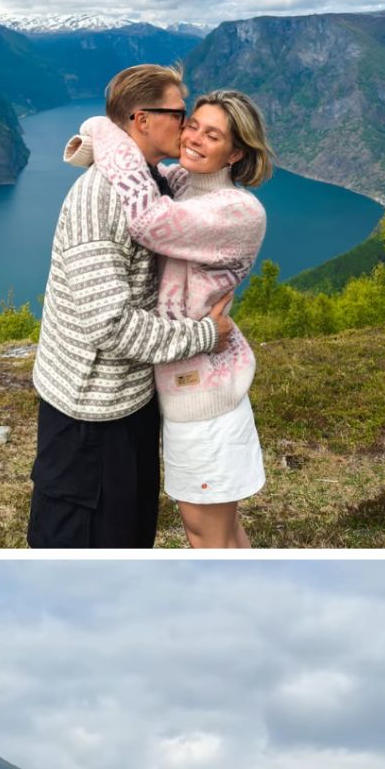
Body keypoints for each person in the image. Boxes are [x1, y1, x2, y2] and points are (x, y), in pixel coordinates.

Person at [28, 64, 235, 549]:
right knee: (79, 541)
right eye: (180, 114)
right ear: (142, 119)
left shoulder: (146, 185)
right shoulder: (99, 198)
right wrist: (209, 334)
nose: (186, 127)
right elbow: (112, 327)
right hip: (88, 414)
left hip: (130, 401)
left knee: (130, 532)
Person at [64, 90, 271, 550]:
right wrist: (110, 135)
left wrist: (103, 126)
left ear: (235, 153)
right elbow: (137, 170)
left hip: (206, 396)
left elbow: (150, 222)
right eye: (192, 123)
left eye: (212, 134)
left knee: (206, 533)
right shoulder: (182, 182)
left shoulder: (237, 211)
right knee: (221, 530)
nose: (192, 137)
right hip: (186, 387)